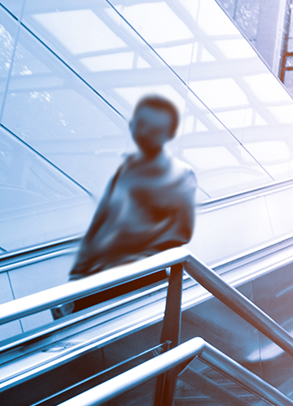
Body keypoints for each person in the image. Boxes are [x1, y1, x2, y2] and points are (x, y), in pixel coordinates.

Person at [57, 94, 197, 316]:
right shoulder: (127, 170)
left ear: (168, 132)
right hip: (105, 274)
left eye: (153, 127)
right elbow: (100, 223)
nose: (143, 132)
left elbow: (182, 233)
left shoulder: (181, 174)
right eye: (139, 124)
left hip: (143, 275)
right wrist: (77, 276)